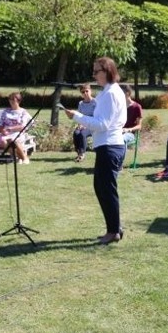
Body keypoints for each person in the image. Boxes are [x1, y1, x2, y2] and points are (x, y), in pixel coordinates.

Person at [64, 57, 128, 245]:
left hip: (110, 147)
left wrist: (78, 116)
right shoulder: (109, 92)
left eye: (96, 71)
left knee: (106, 190)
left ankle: (113, 231)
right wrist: (82, 120)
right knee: (101, 188)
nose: (93, 75)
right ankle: (115, 226)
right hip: (108, 146)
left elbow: (103, 124)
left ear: (107, 70)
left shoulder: (110, 94)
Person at [0, 91, 33, 165]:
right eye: (10, 99)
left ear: (18, 101)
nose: (11, 101)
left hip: (18, 132)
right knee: (3, 140)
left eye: (13, 100)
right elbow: (0, 124)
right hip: (7, 133)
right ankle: (17, 157)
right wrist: (2, 130)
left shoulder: (23, 112)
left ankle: (25, 158)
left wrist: (10, 129)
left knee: (14, 140)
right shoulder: (5, 111)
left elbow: (22, 126)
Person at [72, 84, 96, 162]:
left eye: (87, 91)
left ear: (90, 91)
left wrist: (86, 124)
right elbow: (79, 116)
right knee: (76, 133)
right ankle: (78, 153)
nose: (85, 93)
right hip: (83, 124)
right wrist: (80, 124)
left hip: (93, 125)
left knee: (82, 133)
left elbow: (96, 116)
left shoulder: (95, 102)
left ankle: (82, 154)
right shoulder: (81, 104)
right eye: (83, 92)